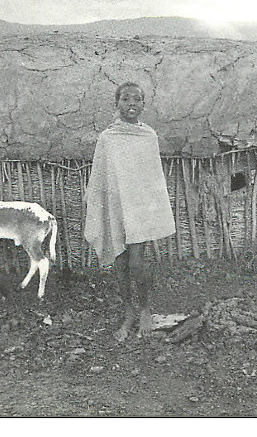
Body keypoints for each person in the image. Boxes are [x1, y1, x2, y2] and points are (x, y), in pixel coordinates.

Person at [83, 82, 176, 341]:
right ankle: (128, 313)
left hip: (140, 209)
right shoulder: (107, 139)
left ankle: (145, 309)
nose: (131, 104)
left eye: (137, 99)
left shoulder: (148, 137)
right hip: (116, 207)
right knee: (120, 264)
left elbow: (152, 178)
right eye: (125, 99)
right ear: (117, 103)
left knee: (136, 263)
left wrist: (149, 208)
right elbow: (101, 176)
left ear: (144, 105)